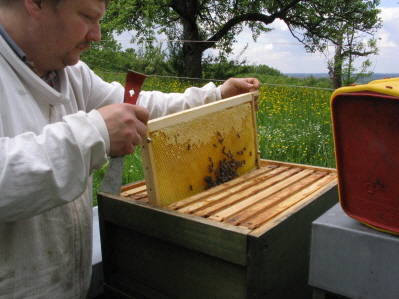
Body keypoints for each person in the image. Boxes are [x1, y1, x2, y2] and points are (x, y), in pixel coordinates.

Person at [0, 0, 260, 298]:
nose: (97, 34)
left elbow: (138, 108)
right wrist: (94, 133)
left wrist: (214, 96)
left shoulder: (72, 74)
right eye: (87, 16)